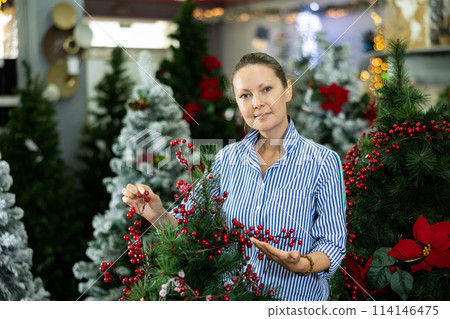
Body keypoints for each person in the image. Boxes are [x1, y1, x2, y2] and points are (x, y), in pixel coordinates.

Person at [122, 52, 346, 301]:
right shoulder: (226, 159)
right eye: (245, 95)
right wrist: (156, 213)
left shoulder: (322, 161)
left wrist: (302, 263)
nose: (257, 103)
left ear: (288, 90)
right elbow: (190, 228)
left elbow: (332, 244)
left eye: (267, 89)